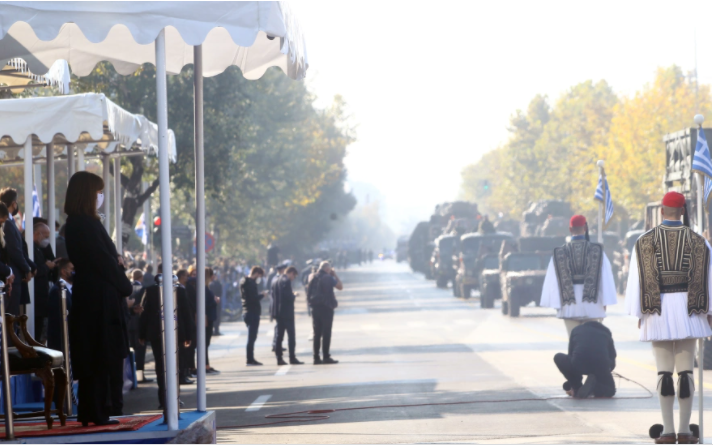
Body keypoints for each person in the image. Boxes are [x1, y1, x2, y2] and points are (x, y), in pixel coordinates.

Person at [625, 192, 712, 444]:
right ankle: (685, 431)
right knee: (686, 373)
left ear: (661, 211)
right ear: (683, 211)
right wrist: (709, 312)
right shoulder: (699, 242)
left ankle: (666, 431)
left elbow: (636, 281)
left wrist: (639, 313)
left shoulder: (643, 241)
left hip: (657, 310)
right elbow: (709, 279)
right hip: (690, 310)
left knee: (664, 373)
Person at [64, 172, 133, 427]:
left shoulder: (81, 223)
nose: (99, 197)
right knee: (99, 355)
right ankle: (97, 411)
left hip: (94, 295)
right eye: (97, 192)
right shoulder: (83, 224)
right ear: (87, 194)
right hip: (98, 299)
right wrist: (125, 285)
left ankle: (93, 411)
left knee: (96, 356)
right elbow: (103, 261)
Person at [540, 215, 618, 336]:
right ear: (585, 228)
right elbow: (605, 280)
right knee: (591, 345)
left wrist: (557, 305)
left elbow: (553, 283)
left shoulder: (558, 253)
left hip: (569, 307)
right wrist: (605, 303)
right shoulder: (598, 251)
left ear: (570, 229)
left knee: (574, 344)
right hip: (593, 306)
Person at [554, 321, 616, 399]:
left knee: (558, 357)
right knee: (610, 391)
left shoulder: (576, 330)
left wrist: (572, 381)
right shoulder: (606, 331)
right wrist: (606, 372)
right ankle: (595, 385)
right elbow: (612, 356)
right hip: (600, 366)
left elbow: (571, 354)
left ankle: (577, 386)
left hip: (579, 365)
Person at [0, 188, 32, 315]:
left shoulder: (8, 223)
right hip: (8, 277)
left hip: (9, 278)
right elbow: (14, 250)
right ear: (13, 203)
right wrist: (10, 271)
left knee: (11, 318)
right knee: (8, 318)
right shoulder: (7, 224)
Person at [308, 261, 343, 364]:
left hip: (315, 307)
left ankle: (316, 358)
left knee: (317, 333)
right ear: (328, 269)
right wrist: (334, 274)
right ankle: (326, 356)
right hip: (326, 307)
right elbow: (340, 286)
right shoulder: (328, 277)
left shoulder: (312, 276)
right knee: (326, 333)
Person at [272, 266, 302, 365]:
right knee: (291, 336)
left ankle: (279, 358)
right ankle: (292, 358)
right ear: (291, 273)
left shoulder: (277, 280)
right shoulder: (286, 281)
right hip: (287, 313)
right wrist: (294, 295)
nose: (293, 278)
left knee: (279, 337)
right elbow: (287, 296)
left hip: (278, 312)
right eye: (294, 275)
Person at [32, 222, 56, 342]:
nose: (47, 240)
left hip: (41, 297)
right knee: (35, 331)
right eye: (45, 236)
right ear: (37, 234)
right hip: (35, 297)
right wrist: (47, 267)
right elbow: (34, 270)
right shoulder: (30, 248)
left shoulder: (41, 248)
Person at [127, 269, 152, 384]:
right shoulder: (143, 289)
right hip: (138, 322)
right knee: (140, 350)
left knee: (129, 349)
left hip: (128, 322)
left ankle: (130, 376)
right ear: (141, 277)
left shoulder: (127, 287)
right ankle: (140, 375)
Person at [241, 266, 265, 366]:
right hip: (252, 312)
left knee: (252, 337)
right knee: (252, 337)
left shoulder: (244, 281)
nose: (259, 277)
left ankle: (250, 358)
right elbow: (252, 298)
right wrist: (262, 295)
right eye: (259, 275)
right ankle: (250, 359)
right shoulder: (250, 283)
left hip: (247, 312)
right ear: (256, 273)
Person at [176, 269, 195, 385]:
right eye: (184, 276)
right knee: (181, 353)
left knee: (184, 352)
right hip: (179, 324)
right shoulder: (179, 289)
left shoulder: (187, 288)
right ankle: (182, 374)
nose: (186, 278)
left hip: (183, 324)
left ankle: (184, 372)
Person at [270, 263, 287, 353]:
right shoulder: (277, 279)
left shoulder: (277, 278)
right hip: (277, 306)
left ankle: (277, 344)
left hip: (277, 306)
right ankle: (275, 344)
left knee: (279, 327)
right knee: (278, 327)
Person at [209, 270, 223, 336]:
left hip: (214, 302)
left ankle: (215, 330)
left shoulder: (216, 283)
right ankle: (216, 330)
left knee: (216, 317)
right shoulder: (214, 283)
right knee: (216, 317)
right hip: (215, 302)